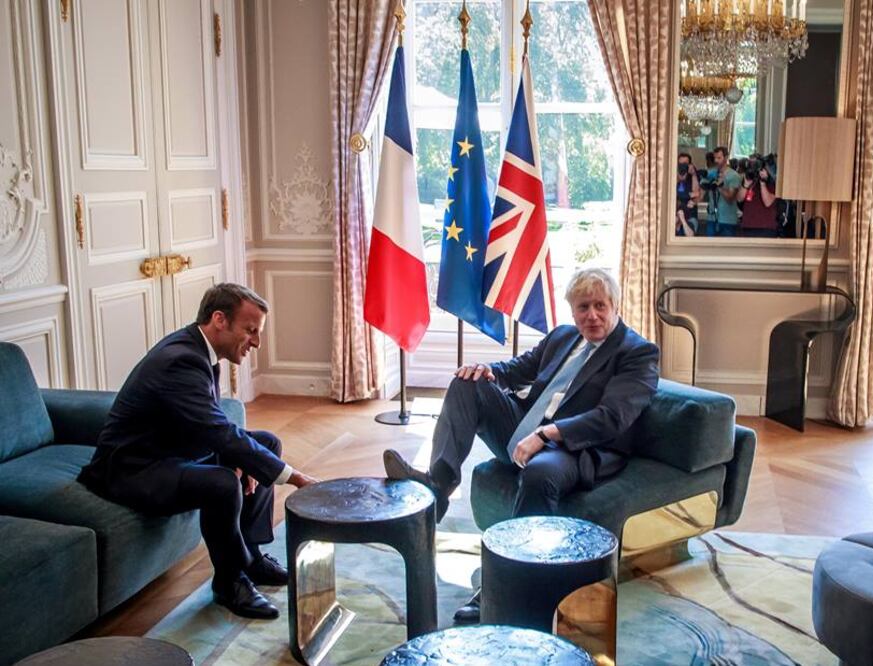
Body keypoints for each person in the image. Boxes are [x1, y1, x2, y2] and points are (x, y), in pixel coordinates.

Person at [382, 268, 660, 623]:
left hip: (575, 448)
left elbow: (612, 418)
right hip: (526, 428)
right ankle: (438, 486)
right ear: (572, 311)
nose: (592, 315)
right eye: (583, 307)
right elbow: (517, 369)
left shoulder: (637, 353)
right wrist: (487, 370)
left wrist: (546, 435)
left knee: (540, 473)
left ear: (615, 306)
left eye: (600, 306)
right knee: (466, 383)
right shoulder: (563, 336)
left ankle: (504, 584)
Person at [78, 283, 318, 619]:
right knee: (222, 483)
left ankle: (251, 556)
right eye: (250, 330)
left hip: (173, 451)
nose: (257, 343)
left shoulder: (199, 349)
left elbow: (207, 422)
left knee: (267, 443)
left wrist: (239, 458)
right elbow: (215, 430)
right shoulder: (181, 361)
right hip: (133, 469)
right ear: (219, 320)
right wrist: (295, 478)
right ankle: (229, 580)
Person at [737, 153, 779, 238]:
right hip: (747, 226)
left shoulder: (771, 181)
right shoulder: (748, 178)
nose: (753, 168)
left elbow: (767, 202)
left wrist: (762, 182)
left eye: (755, 165)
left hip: (766, 228)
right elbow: (739, 199)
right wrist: (746, 184)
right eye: (750, 164)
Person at [712, 146, 742, 236]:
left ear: (726, 158)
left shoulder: (734, 175)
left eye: (719, 158)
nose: (716, 160)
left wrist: (720, 186)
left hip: (728, 220)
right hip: (712, 218)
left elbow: (730, 198)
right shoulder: (712, 173)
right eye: (715, 158)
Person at [676, 153, 702, 236]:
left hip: (690, 216)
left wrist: (693, 174)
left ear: (690, 165)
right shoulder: (673, 175)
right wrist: (678, 177)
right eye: (680, 164)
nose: (682, 166)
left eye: (685, 164)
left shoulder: (693, 176)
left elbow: (696, 194)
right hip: (676, 216)